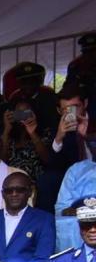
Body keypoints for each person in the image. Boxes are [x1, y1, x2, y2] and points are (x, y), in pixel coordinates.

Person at [38, 84, 91, 216]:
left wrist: (86, 138)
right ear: (59, 111)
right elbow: (53, 165)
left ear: (85, 104)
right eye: (66, 109)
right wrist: (59, 138)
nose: (72, 113)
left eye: (75, 107)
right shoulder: (58, 128)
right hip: (72, 177)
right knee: (47, 179)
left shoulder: (93, 124)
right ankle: (47, 223)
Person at [54, 105, 96, 253]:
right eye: (92, 141)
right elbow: (61, 208)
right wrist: (84, 213)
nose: (95, 145)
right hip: (78, 222)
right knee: (69, 223)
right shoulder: (76, 170)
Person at [7, 61, 61, 135]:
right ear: (19, 84)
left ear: (39, 82)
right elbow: (13, 121)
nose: (28, 85)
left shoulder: (49, 97)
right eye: (24, 82)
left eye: (33, 81)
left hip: (45, 136)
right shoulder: (15, 99)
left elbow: (54, 121)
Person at [1, 95, 47, 180]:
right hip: (11, 180)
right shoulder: (9, 137)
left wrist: (32, 133)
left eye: (26, 112)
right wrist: (6, 130)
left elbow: (47, 160)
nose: (23, 116)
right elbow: (2, 163)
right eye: (19, 113)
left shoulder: (44, 133)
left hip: (35, 180)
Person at [66, 32, 96, 104]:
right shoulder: (75, 65)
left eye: (93, 52)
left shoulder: (74, 64)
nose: (90, 56)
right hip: (81, 104)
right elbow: (69, 88)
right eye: (87, 52)